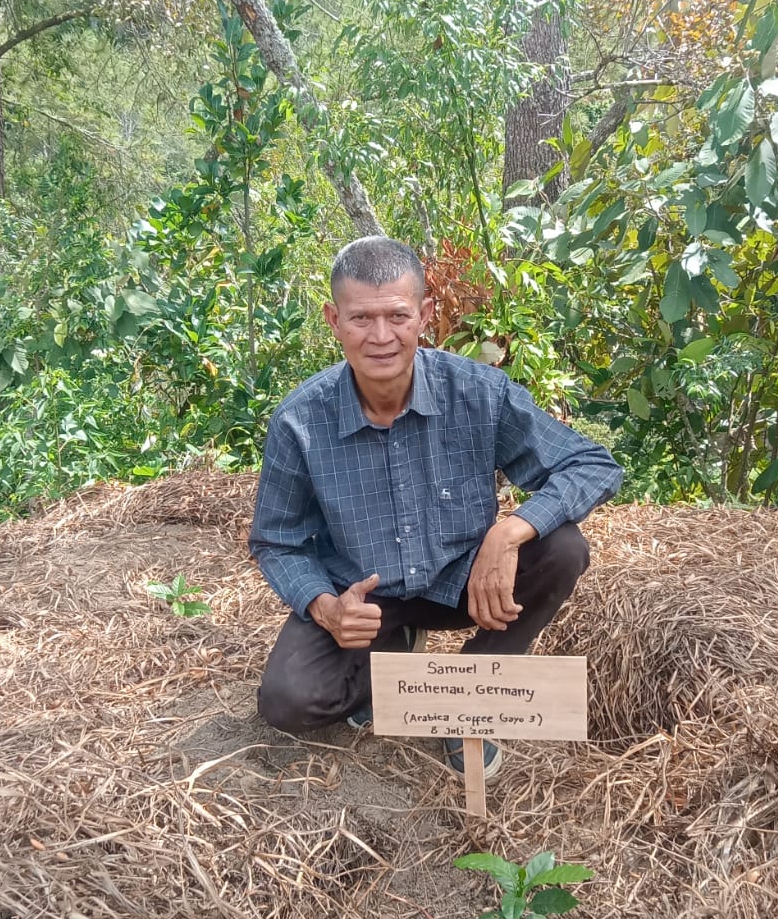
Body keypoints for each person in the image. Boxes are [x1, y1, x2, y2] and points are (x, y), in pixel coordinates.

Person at [249, 236, 622, 779]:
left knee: (563, 547)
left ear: (424, 314)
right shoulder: (299, 421)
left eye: (397, 316)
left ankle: (473, 686)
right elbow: (276, 540)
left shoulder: (479, 392)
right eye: (360, 319)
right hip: (367, 596)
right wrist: (327, 608)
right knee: (288, 702)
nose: (381, 337)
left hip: (466, 584)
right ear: (333, 319)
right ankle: (394, 655)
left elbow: (593, 464)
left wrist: (510, 532)